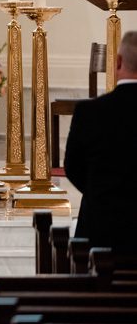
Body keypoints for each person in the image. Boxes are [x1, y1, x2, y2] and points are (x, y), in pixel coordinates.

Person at [64, 31, 137, 252]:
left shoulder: (89, 112)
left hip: (100, 233)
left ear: (118, 62)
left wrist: (101, 192)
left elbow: (72, 167)